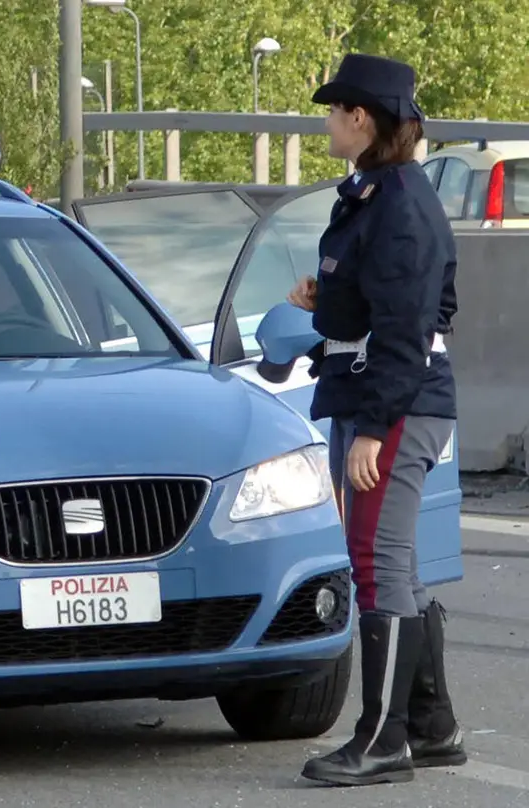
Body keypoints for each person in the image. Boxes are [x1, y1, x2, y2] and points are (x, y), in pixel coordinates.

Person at [287, 53, 466, 787]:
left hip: (392, 400)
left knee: (376, 562)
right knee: (397, 563)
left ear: (361, 118)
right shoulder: (377, 195)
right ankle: (431, 726)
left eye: (333, 110)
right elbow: (401, 306)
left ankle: (381, 740)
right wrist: (325, 304)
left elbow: (408, 328)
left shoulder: (395, 204)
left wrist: (370, 428)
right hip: (382, 392)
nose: (327, 121)